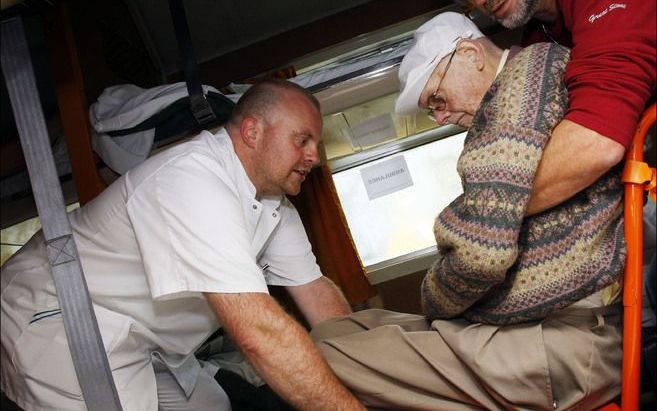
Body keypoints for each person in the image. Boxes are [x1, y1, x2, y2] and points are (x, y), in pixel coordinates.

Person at [312, 12, 626, 410]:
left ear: (470, 54)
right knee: (334, 331)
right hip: (544, 325)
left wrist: (432, 297)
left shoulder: (516, 95)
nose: (441, 117)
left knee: (324, 358)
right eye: (432, 111)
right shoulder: (535, 71)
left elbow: (482, 253)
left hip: (562, 344)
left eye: (437, 100)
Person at [1, 79, 365, 411]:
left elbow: (315, 292)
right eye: (302, 140)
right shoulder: (194, 180)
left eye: (315, 143)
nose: (314, 156)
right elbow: (259, 332)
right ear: (253, 131)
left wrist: (367, 368)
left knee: (214, 405)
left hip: (138, 334)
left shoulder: (274, 205)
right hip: (59, 316)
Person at [461, 0, 656, 215]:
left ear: (470, 54)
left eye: (437, 98)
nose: (480, 1)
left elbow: (596, 142)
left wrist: (481, 213)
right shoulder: (537, 43)